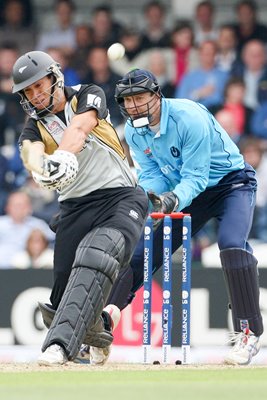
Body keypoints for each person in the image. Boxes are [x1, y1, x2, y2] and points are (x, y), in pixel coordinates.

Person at [109, 68, 263, 366]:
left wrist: (172, 199)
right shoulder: (132, 131)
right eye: (127, 101)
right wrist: (148, 197)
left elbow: (196, 176)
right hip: (185, 190)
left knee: (231, 244)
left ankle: (248, 333)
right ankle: (103, 324)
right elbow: (152, 174)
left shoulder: (188, 117)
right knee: (145, 251)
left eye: (139, 98)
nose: (133, 107)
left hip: (231, 184)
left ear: (156, 95)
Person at [11, 51, 148, 365]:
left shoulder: (88, 94)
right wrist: (40, 168)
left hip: (120, 197)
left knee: (98, 254)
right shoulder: (32, 130)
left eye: (39, 85)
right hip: (74, 207)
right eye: (28, 92)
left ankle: (59, 347)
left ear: (55, 77)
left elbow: (80, 128)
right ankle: (97, 332)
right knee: (61, 294)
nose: (35, 95)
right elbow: (31, 156)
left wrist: (62, 157)